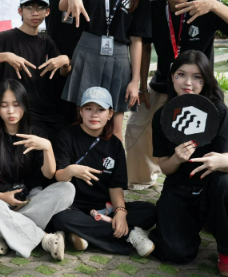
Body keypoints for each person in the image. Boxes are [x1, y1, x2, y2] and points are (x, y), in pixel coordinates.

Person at [125, 0, 228, 189]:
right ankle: (142, 179)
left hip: (200, 89)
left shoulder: (206, 7)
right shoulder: (154, 8)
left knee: (205, 136)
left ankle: (206, 182)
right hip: (163, 85)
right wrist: (142, 86)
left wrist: (214, 5)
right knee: (135, 127)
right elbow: (144, 46)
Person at [148, 51, 228, 277]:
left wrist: (217, 161)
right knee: (175, 252)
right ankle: (197, 221)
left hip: (214, 187)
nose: (188, 83)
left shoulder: (218, 110)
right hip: (180, 187)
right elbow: (165, 168)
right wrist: (177, 158)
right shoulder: (162, 116)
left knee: (225, 182)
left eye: (197, 77)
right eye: (181, 75)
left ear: (205, 81)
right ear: (172, 77)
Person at [59, 0, 152, 141]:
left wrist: (135, 82)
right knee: (83, 123)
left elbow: (137, 40)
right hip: (87, 54)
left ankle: (114, 164)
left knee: (115, 129)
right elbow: (62, 5)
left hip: (119, 59)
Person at [49, 87, 156, 256]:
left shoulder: (115, 145)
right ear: (81, 111)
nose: (94, 115)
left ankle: (84, 234)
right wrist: (71, 170)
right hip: (73, 207)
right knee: (59, 218)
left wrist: (120, 212)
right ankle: (129, 235)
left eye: (101, 109)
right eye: (88, 108)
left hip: (105, 208)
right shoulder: (66, 136)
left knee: (149, 211)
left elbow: (115, 186)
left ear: (110, 114)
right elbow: (58, 176)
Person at [0, 80, 73, 260]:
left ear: (24, 105)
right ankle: (44, 239)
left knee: (67, 188)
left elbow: (49, 174)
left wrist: (47, 147)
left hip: (31, 200)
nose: (11, 111)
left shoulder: (37, 133)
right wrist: (1, 197)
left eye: (16, 104)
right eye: (4, 105)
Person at [0, 0, 71, 137]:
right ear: (20, 11)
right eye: (29, 8)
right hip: (13, 112)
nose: (35, 13)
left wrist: (66, 61)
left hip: (44, 113)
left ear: (47, 12)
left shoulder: (47, 42)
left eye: (40, 8)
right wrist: (6, 56)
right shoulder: (5, 38)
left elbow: (63, 74)